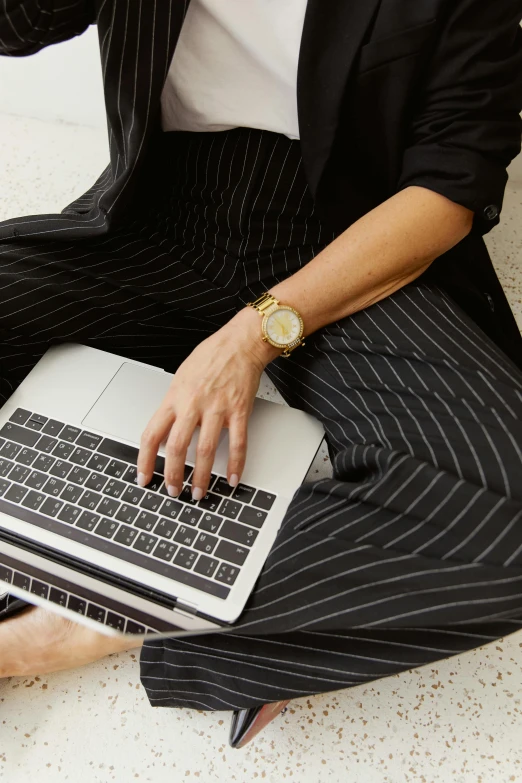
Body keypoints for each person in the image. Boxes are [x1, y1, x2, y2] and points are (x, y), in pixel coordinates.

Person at [1, 0, 522, 714]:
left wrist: (251, 337)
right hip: (158, 202)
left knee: (504, 508)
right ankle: (274, 625)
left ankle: (89, 625)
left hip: (346, 231)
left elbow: (448, 189)